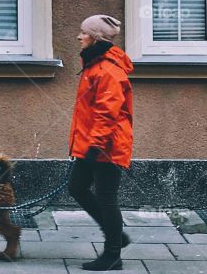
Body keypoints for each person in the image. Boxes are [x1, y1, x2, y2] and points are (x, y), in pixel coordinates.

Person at [67, 14, 134, 271]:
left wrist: (95, 145)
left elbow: (108, 113)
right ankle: (116, 235)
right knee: (77, 187)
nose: (79, 36)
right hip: (93, 143)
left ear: (95, 38)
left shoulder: (108, 70)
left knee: (106, 197)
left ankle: (113, 254)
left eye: (84, 32)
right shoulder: (94, 65)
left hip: (106, 146)